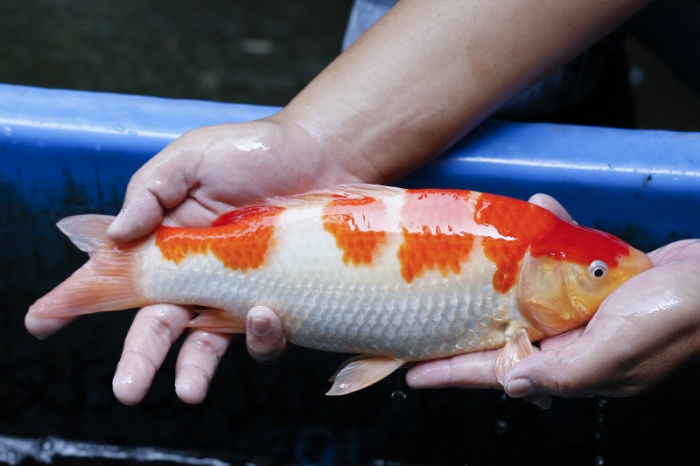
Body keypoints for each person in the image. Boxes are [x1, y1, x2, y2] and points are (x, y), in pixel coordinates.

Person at [25, 0, 700, 406]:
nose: (605, 286)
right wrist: (316, 139)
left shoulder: (522, 296)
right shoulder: (519, 285)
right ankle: (147, 269)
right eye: (598, 276)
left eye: (600, 276)